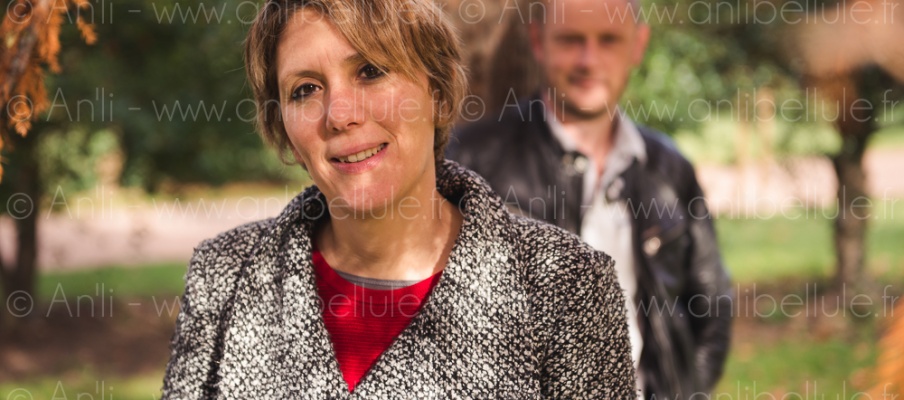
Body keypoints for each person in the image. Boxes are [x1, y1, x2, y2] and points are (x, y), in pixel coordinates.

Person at [161, 0, 636, 398]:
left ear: (438, 92)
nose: (339, 115)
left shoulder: (567, 286)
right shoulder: (224, 276)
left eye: (370, 71)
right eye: (305, 90)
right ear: (284, 129)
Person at [447, 0, 734, 398]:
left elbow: (712, 306)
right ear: (538, 41)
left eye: (608, 40)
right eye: (571, 40)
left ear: (638, 45)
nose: (589, 59)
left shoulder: (669, 169)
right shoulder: (471, 161)